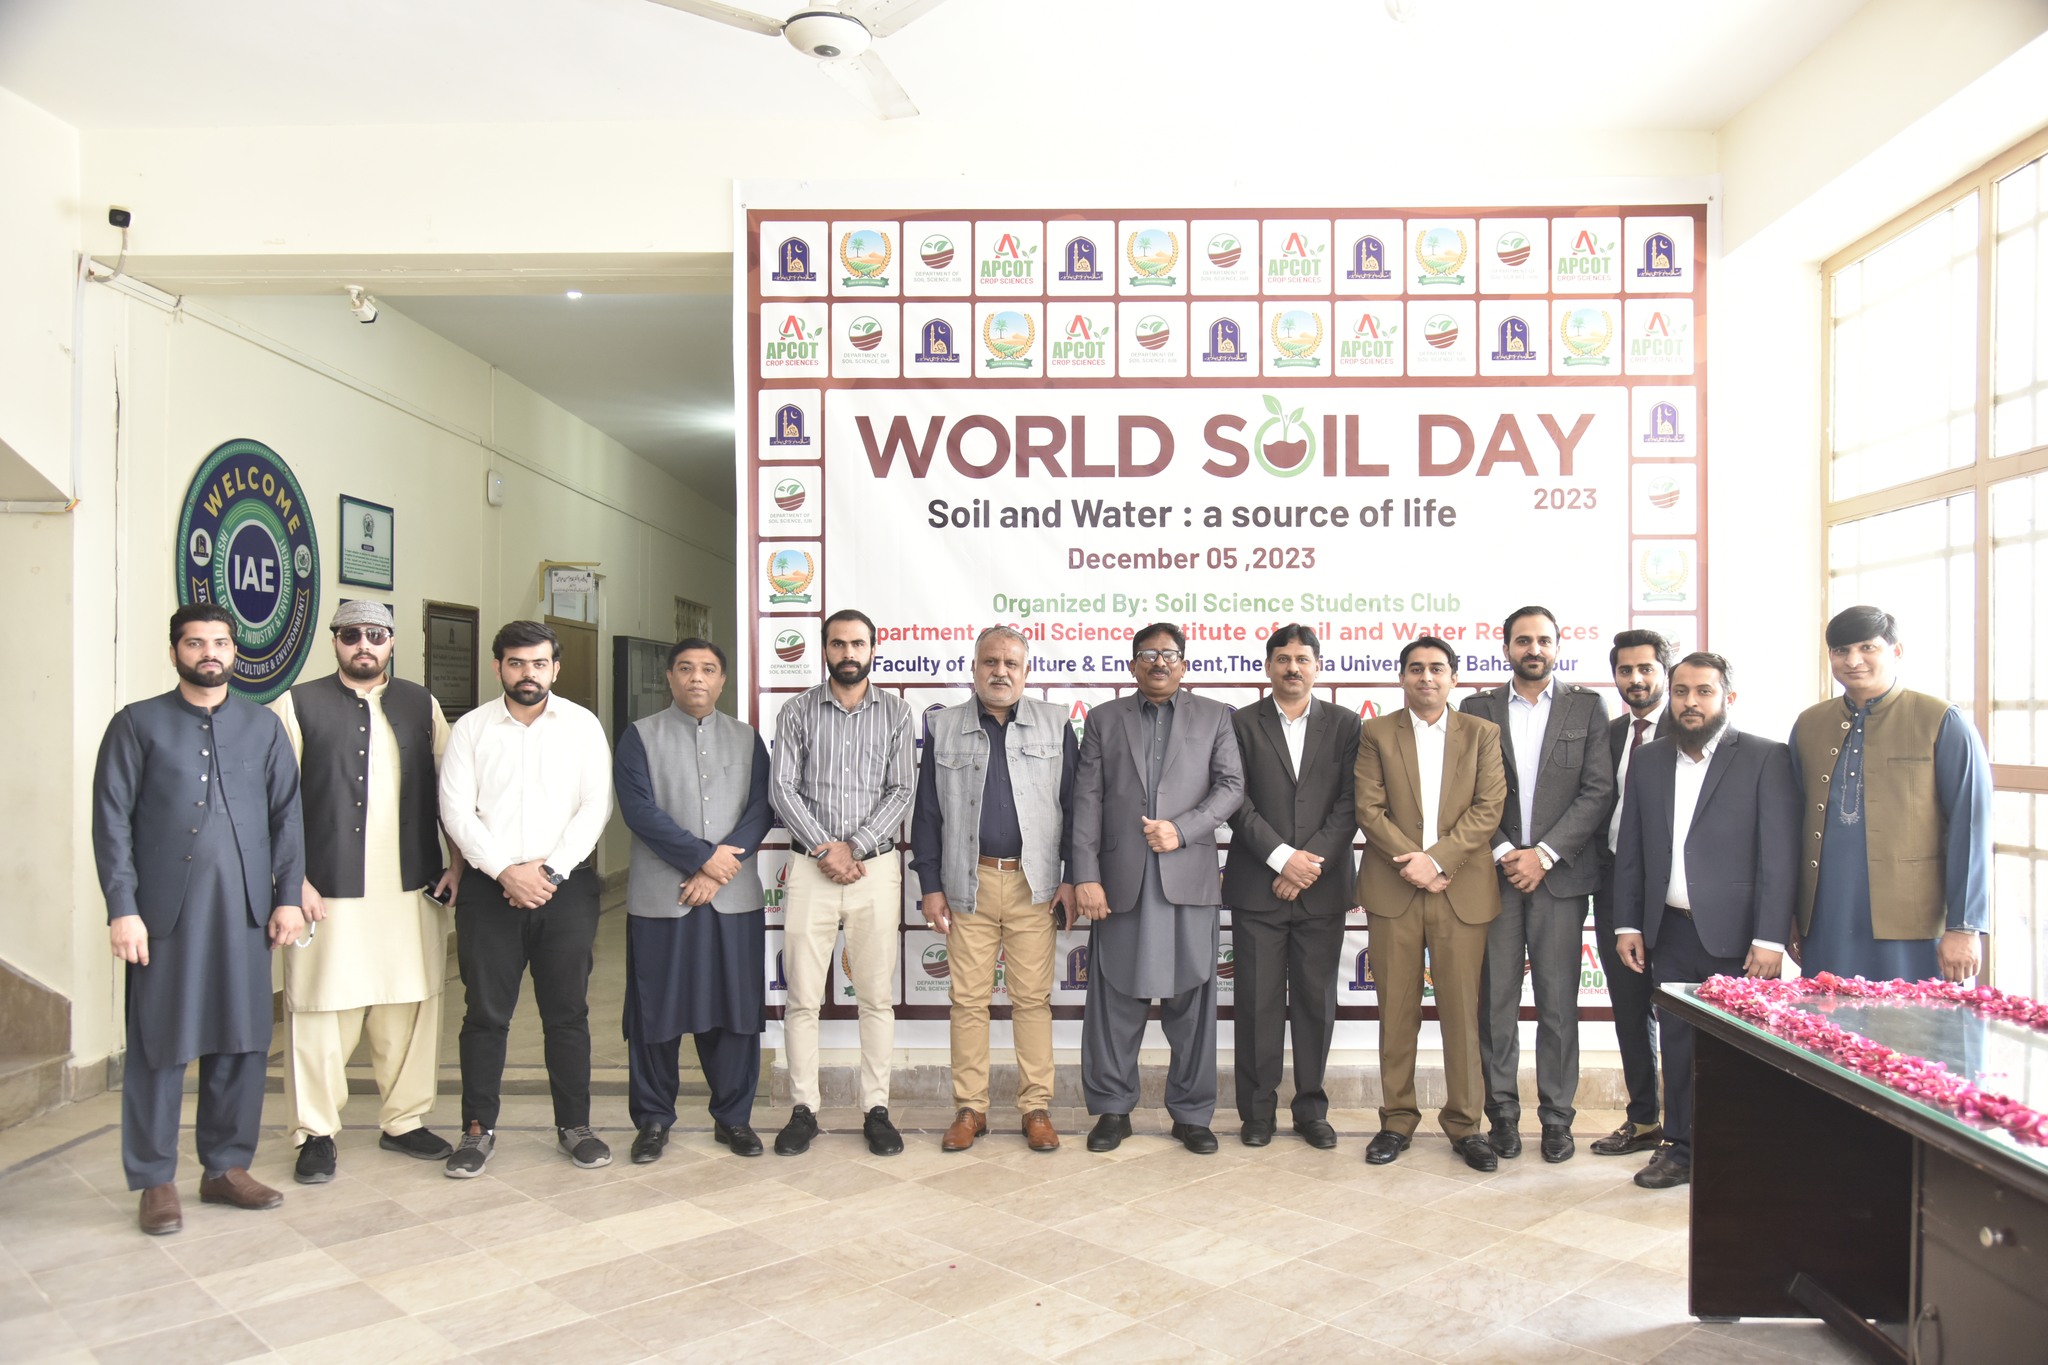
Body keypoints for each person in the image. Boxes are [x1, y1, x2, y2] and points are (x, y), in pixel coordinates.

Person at [92, 604, 307, 1235]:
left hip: (245, 913)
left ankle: (225, 1168)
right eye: (195, 643)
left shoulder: (263, 727)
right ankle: (154, 1179)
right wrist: (123, 909)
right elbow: (112, 822)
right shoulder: (137, 724)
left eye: (219, 642)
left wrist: (288, 896)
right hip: (164, 916)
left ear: (235, 652)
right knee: (159, 1044)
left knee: (243, 1039)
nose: (208, 652)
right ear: (175, 652)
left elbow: (287, 817)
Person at [271, 600, 461, 1185]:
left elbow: (452, 792)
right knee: (320, 1009)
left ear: (392, 641)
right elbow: (274, 803)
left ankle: (404, 1121)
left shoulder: (421, 704)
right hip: (325, 891)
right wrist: (292, 880)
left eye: (375, 635)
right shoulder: (297, 704)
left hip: (411, 885)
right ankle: (315, 1133)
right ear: (334, 641)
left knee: (410, 1005)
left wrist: (457, 864)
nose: (364, 645)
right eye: (351, 634)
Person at [1614, 652, 1798, 1188]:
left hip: (1741, 939)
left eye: (1704, 692)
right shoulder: (1649, 759)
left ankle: (1742, 1151)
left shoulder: (1765, 756)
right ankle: (1680, 1148)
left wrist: (1770, 938)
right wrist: (1628, 924)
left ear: (1727, 698)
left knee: (1742, 1049)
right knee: (1676, 1043)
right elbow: (1632, 847)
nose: (1690, 702)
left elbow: (1779, 856)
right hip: (1669, 930)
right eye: (1681, 692)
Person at [437, 620, 614, 1177]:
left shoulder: (582, 725)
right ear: (499, 667)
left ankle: (575, 1126)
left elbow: (595, 806)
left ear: (555, 668)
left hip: (566, 888)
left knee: (567, 1013)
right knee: (485, 1015)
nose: (527, 673)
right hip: (490, 892)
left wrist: (549, 872)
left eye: (539, 663)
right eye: (516, 663)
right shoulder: (471, 729)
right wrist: (505, 873)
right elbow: (455, 811)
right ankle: (476, 1129)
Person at [1071, 623, 1245, 1155]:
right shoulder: (1103, 719)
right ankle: (1112, 1110)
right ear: (1132, 665)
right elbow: (1087, 800)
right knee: (1114, 1003)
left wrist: (1183, 830)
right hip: (1119, 883)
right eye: (1148, 654)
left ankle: (1191, 1115)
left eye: (1169, 654)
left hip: (1188, 879)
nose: (1159, 662)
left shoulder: (1215, 716)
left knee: (1192, 1004)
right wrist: (1085, 876)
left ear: (1184, 664)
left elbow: (1232, 787)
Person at [909, 626, 1076, 1154]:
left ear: (1026, 672)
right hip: (968, 883)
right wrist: (930, 884)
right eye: (990, 662)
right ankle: (971, 1108)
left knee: (1032, 1001)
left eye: (1011, 663)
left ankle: (1036, 1108)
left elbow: (1074, 806)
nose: (1000, 671)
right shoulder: (943, 726)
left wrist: (1071, 877)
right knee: (967, 1002)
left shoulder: (1056, 723)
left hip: (1034, 884)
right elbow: (928, 814)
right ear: (975, 667)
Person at [1458, 606, 1615, 1163]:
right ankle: (1501, 1114)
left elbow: (1598, 791)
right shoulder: (1476, 708)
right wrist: (1505, 852)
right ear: (1506, 648)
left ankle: (1556, 1118)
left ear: (1557, 647)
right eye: (1523, 640)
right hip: (1493, 876)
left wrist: (1543, 855)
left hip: (1559, 878)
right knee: (1495, 1003)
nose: (1534, 649)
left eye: (1543, 640)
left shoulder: (1587, 706)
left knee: (1558, 1004)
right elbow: (1465, 791)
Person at [615, 638, 774, 1163]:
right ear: (669, 676)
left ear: (723, 680)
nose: (696, 678)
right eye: (685, 668)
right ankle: (653, 1120)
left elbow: (762, 808)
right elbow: (639, 811)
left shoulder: (748, 739)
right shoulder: (640, 736)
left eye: (708, 669)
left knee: (735, 1013)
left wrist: (718, 869)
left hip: (732, 898)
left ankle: (734, 1119)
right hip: (663, 899)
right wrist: (704, 860)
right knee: (654, 1013)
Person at [1355, 637, 1506, 1173]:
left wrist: (1439, 861)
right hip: (1394, 890)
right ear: (1401, 677)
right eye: (1415, 668)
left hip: (1460, 890)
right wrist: (1414, 862)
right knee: (1396, 1013)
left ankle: (1466, 1125)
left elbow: (1489, 808)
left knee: (1462, 1015)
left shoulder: (1482, 733)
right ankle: (1396, 1120)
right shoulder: (1376, 732)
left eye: (1437, 669)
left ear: (1453, 678)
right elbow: (1368, 808)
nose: (1426, 677)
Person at [768, 609, 915, 1157]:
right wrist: (827, 849)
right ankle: (803, 1110)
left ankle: (876, 1109)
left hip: (874, 869)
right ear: (824, 649)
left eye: (858, 644)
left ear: (874, 649)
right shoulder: (796, 711)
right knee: (803, 998)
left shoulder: (897, 712)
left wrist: (853, 847)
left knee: (876, 998)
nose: (848, 653)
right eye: (838, 644)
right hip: (811, 870)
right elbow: (782, 789)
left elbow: (902, 789)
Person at [1790, 605, 1991, 983]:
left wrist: (1965, 927)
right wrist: (1789, 916)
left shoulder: (1940, 719)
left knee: (1912, 1020)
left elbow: (1971, 826)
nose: (1853, 661)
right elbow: (1790, 825)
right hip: (1828, 918)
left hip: (1914, 925)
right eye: (1841, 651)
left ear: (1896, 651)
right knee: (1826, 1017)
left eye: (1867, 647)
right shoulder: (1809, 724)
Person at [1223, 623, 1360, 1149]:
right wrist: (1283, 859)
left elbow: (1351, 803)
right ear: (1268, 666)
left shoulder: (1346, 724)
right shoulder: (1240, 723)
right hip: (1259, 886)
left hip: (1322, 890)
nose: (1293, 667)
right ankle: (1257, 1112)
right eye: (1283, 659)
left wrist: (1308, 865)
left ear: (1317, 667)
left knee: (1314, 1004)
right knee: (1256, 1005)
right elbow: (1235, 799)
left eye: (1303, 659)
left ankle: (1311, 1110)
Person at [1589, 629, 1676, 1160]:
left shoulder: (1691, 727)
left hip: (1677, 894)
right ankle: (1643, 1119)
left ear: (1666, 671)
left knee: (1683, 1012)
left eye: (1646, 669)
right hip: (1616, 888)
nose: (1636, 679)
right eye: (1625, 671)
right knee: (1628, 1007)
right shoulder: (1610, 733)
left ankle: (1688, 1128)